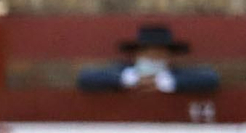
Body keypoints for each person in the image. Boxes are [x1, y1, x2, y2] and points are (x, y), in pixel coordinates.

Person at [78, 25, 220, 95]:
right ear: (135, 56)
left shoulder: (178, 74)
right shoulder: (121, 71)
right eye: (148, 54)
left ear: (169, 58)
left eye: (159, 55)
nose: (153, 59)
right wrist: (131, 80)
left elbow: (211, 79)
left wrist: (161, 82)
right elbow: (86, 77)